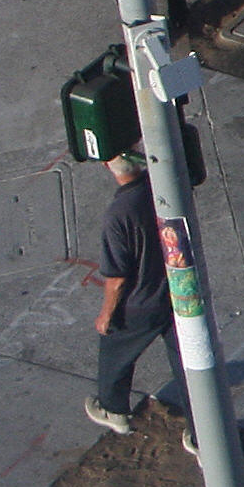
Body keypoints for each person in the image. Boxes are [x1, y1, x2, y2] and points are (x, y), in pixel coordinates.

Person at [81, 156, 179, 435]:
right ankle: (201, 433)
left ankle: (113, 409)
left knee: (115, 350)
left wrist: (106, 314)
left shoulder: (118, 213)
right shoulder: (158, 184)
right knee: (186, 364)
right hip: (176, 292)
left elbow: (117, 278)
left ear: (105, 167)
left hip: (141, 302)